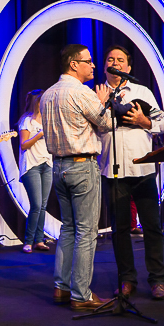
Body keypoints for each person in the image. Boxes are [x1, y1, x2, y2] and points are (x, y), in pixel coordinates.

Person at [41, 44, 113, 310]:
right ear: (73, 64)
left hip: (58, 167)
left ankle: (61, 287)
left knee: (68, 229)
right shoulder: (82, 92)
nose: (94, 66)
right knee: (85, 232)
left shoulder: (48, 94)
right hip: (82, 166)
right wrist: (103, 103)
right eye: (89, 61)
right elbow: (106, 124)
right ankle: (81, 295)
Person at [97, 45, 164, 300]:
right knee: (120, 229)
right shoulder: (96, 93)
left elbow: (161, 123)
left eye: (120, 60)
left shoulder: (142, 92)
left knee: (152, 226)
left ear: (128, 67)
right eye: (110, 59)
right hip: (113, 171)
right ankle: (127, 279)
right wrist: (101, 106)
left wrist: (144, 122)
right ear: (105, 65)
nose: (115, 63)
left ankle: (157, 280)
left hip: (143, 169)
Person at [18, 89, 53, 254]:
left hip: (47, 163)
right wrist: (39, 134)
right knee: (36, 205)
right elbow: (23, 144)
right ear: (37, 102)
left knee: (43, 205)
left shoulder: (48, 120)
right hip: (32, 165)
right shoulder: (27, 121)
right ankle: (28, 241)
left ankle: (39, 240)